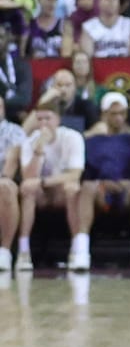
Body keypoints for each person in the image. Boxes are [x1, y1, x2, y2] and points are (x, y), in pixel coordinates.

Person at [73, 92, 130, 271]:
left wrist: (129, 183)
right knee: (87, 188)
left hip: (128, 192)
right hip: (100, 191)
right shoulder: (91, 142)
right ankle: (81, 252)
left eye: (122, 114)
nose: (118, 118)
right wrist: (102, 183)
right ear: (104, 115)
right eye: (113, 114)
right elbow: (85, 174)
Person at [14, 103, 85, 272]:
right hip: (40, 194)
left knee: (72, 188)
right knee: (28, 189)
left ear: (58, 120)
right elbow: (28, 178)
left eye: (48, 118)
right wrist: (39, 150)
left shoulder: (72, 137)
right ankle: (23, 252)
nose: (44, 123)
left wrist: (44, 182)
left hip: (60, 191)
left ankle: (77, 250)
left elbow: (74, 174)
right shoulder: (30, 141)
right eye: (39, 119)